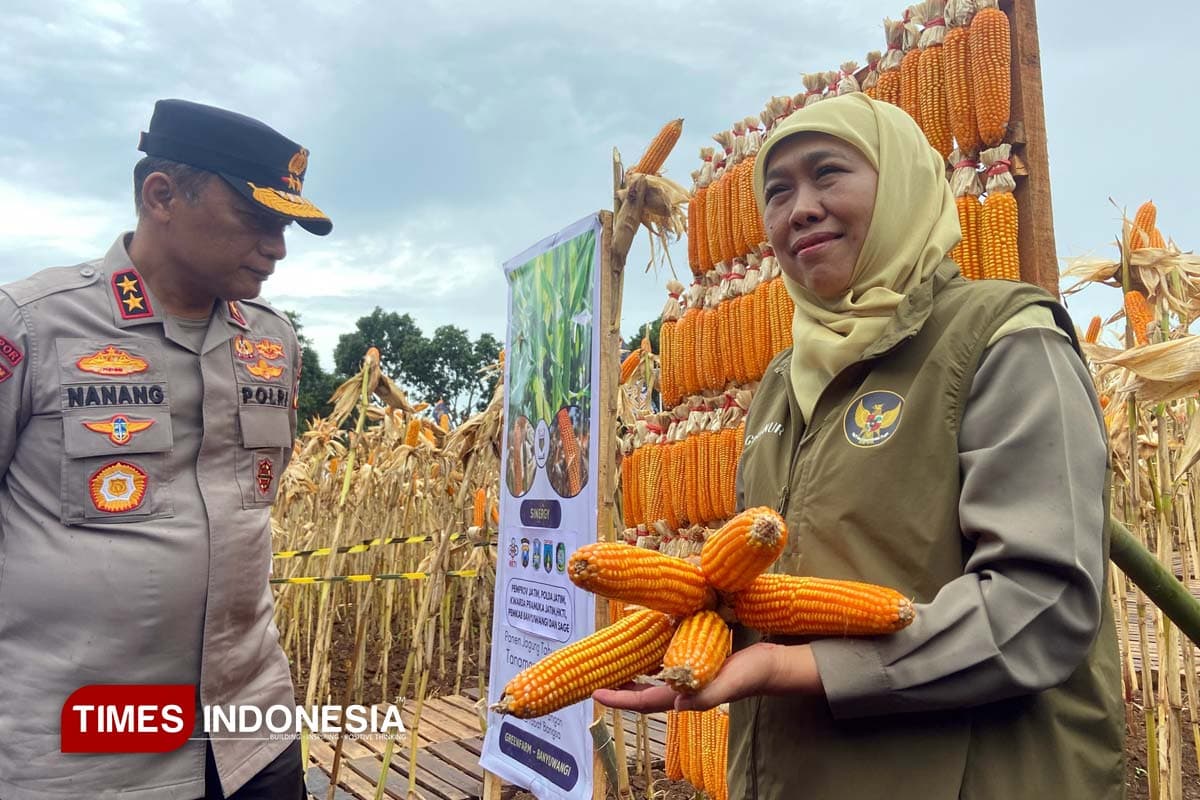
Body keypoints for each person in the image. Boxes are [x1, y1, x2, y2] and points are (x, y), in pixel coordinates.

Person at [595, 93, 1125, 798]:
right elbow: (769, 591)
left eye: (829, 174)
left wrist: (793, 670)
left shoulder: (1006, 343)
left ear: (902, 182)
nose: (800, 208)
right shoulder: (785, 382)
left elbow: (1039, 608)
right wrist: (681, 640)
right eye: (777, 192)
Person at [0, 99, 332, 799]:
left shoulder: (272, 341)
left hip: (251, 732)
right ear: (162, 196)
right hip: (84, 754)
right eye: (258, 218)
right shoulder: (31, 325)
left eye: (286, 226)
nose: (277, 246)